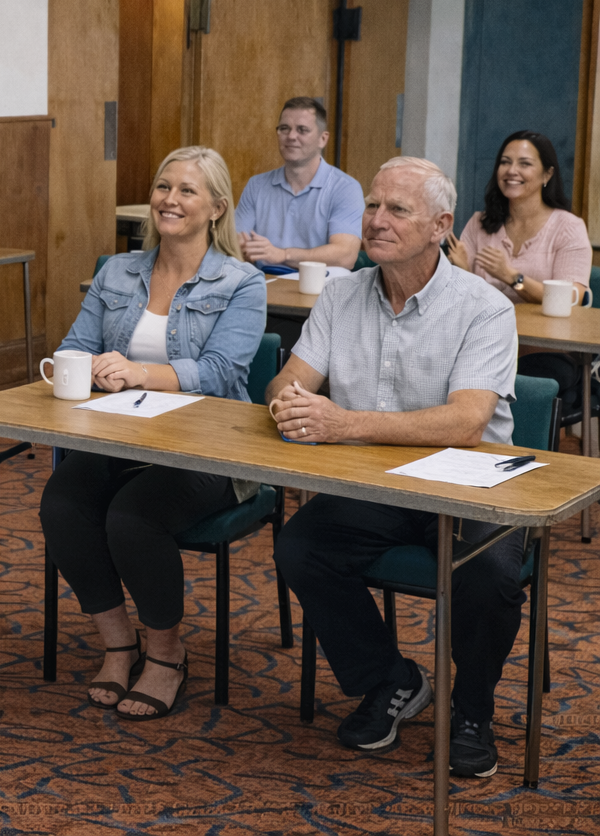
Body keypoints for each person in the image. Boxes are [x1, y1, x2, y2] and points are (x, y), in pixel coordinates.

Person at [270, 156, 519, 779]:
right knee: (301, 545)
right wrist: (289, 400)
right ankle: (391, 680)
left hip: (470, 486)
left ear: (441, 225)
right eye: (373, 206)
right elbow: (288, 382)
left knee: (489, 571)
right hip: (373, 487)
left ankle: (472, 710)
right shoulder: (341, 293)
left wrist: (340, 424)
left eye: (396, 210)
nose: (376, 220)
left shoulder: (484, 308)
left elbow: (464, 424)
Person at [38, 147, 265, 720]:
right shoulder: (118, 271)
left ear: (216, 207)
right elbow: (74, 346)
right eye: (164, 187)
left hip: (209, 448)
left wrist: (140, 374)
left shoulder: (242, 282)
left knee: (131, 517)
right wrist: (86, 366)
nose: (170, 199)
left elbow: (219, 374)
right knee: (61, 502)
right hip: (120, 439)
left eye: (187, 190)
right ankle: (118, 644)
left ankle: (166, 654)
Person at [447, 129, 591, 412]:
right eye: (505, 162)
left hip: (545, 349)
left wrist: (513, 278)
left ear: (547, 174)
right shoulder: (479, 223)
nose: (512, 171)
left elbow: (574, 296)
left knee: (514, 382)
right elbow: (461, 294)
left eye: (524, 163)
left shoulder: (569, 227)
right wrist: (462, 271)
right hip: (482, 343)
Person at [235, 97, 365, 271]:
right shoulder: (256, 185)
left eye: (302, 130)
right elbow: (233, 243)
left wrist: (283, 254)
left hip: (319, 291)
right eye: (284, 128)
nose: (291, 136)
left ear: (323, 139)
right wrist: (240, 247)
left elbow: (345, 256)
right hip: (263, 286)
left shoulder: (345, 188)